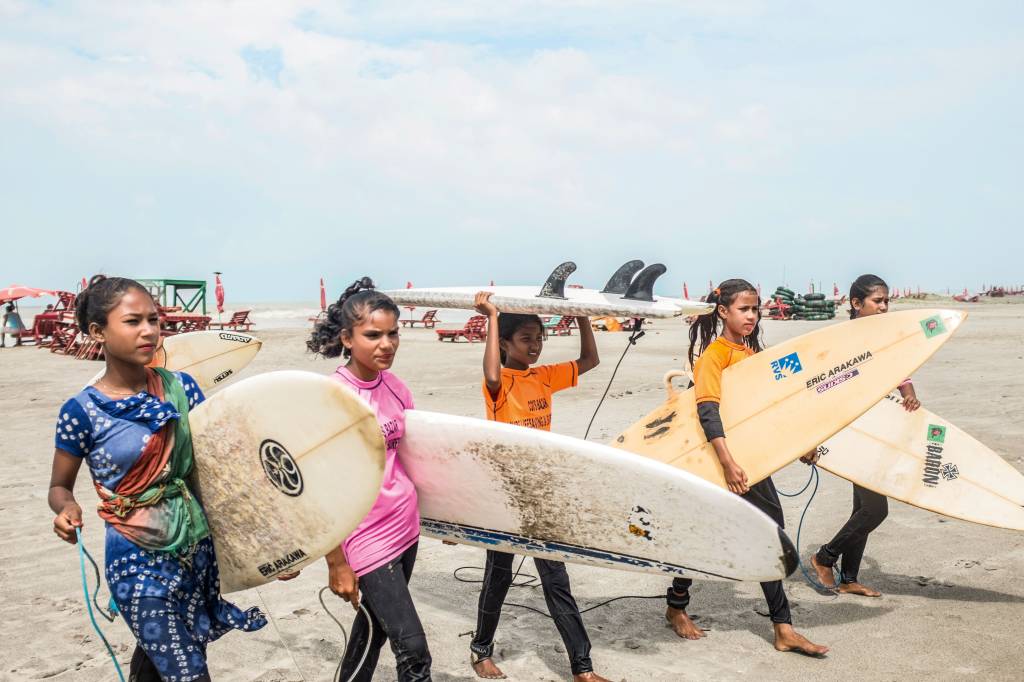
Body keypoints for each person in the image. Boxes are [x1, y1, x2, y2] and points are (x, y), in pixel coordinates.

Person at [47, 275, 266, 682]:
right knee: (188, 673)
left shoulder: (181, 388)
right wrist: (67, 508)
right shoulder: (80, 412)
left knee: (156, 668)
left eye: (154, 319)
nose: (149, 331)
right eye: (133, 321)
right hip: (135, 560)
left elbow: (213, 474)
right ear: (98, 332)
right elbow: (59, 487)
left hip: (196, 553)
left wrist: (265, 549)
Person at [664, 279, 829, 656]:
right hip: (726, 463)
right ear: (723, 312)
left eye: (756, 309)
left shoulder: (754, 354)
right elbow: (708, 411)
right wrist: (728, 462)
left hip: (752, 460)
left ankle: (680, 606)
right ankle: (780, 627)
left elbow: (768, 411)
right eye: (744, 309)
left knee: (759, 535)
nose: (752, 316)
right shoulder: (714, 356)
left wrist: (799, 445)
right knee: (765, 535)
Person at [468, 292, 608, 681]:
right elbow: (492, 374)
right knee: (498, 578)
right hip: (505, 498)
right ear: (506, 343)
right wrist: (492, 318)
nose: (535, 346)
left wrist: (582, 317)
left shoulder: (543, 376)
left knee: (556, 579)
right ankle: (481, 650)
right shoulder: (498, 386)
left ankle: (582, 668)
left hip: (541, 493)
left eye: (539, 338)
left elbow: (590, 361)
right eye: (526, 338)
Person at [308, 277, 432, 682]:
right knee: (413, 649)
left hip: (405, 525)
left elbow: (412, 460)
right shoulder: (332, 398)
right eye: (373, 335)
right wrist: (336, 561)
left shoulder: (396, 388)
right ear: (347, 338)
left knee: (374, 631)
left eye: (393, 333)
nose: (387, 344)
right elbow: (318, 489)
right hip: (363, 536)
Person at [808, 274, 919, 597]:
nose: (884, 307)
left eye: (887, 301)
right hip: (850, 431)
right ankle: (824, 557)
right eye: (877, 301)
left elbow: (901, 370)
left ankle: (850, 578)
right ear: (856, 304)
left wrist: (908, 392)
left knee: (862, 508)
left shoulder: (885, 337)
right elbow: (823, 385)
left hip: (877, 430)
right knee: (875, 509)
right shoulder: (842, 339)